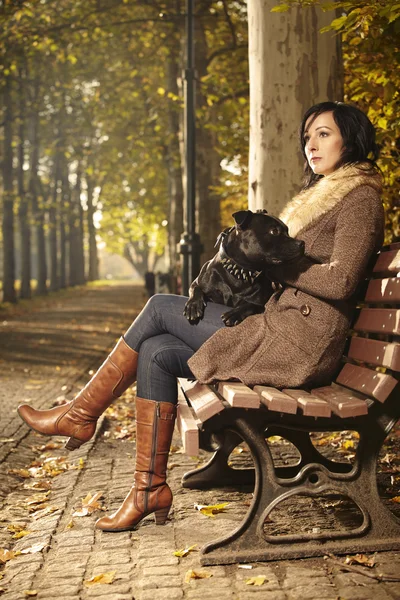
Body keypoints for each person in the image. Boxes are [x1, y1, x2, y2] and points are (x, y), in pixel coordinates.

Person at [17, 101, 385, 533]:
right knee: (155, 351)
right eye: (307, 136)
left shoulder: (359, 198)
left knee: (158, 307)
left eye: (323, 133)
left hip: (299, 344)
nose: (311, 144)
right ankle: (147, 489)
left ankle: (79, 416)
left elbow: (341, 281)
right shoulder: (324, 195)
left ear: (351, 137)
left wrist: (273, 265)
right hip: (277, 327)